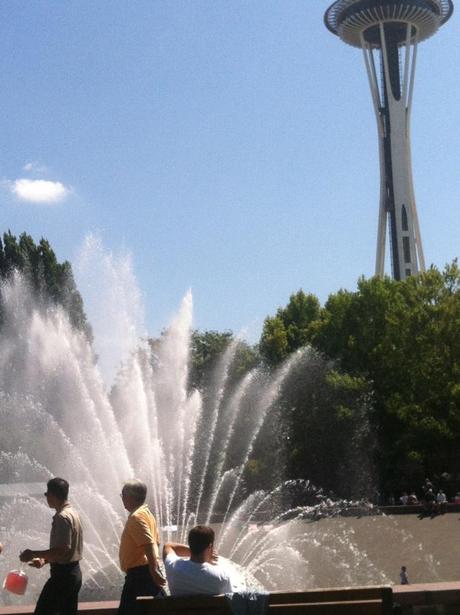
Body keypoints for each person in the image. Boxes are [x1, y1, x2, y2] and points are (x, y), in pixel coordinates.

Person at [19, 477, 83, 615]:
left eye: (47, 494)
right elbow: (66, 551)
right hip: (74, 573)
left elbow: (62, 550)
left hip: (62, 577)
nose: (46, 497)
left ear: (53, 495)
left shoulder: (62, 517)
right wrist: (45, 560)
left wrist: (33, 554)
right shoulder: (74, 513)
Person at [118, 479, 165, 615]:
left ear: (131, 496)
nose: (122, 499)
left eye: (123, 495)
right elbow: (156, 542)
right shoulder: (147, 513)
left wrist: (153, 569)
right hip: (142, 573)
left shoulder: (136, 517)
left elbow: (149, 543)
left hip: (139, 575)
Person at [163, 525, 234, 596]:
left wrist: (195, 549)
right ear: (210, 546)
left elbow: (168, 546)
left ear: (190, 545)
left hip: (177, 607)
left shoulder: (173, 567)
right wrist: (206, 552)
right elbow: (231, 598)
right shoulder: (222, 576)